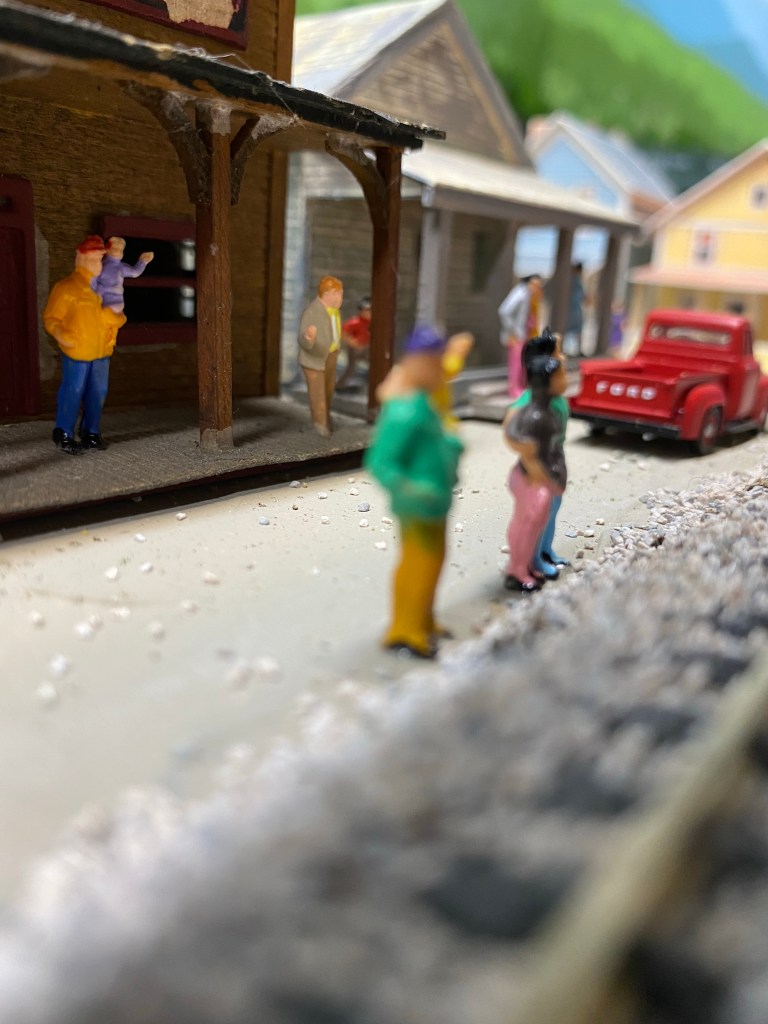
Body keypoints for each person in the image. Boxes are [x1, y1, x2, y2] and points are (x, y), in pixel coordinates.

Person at [365, 325, 464, 659]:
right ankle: (404, 628)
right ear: (417, 364)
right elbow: (381, 462)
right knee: (417, 562)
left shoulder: (425, 404)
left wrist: (451, 446)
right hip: (418, 505)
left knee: (433, 560)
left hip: (435, 502)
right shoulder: (404, 411)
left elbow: (434, 443)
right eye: (433, 364)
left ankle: (424, 619)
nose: (439, 371)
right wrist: (409, 488)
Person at [43, 235, 127, 454]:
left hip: (101, 350)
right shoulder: (66, 288)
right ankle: (64, 432)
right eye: (93, 259)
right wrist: (61, 334)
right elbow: (51, 319)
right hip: (77, 351)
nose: (97, 264)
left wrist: (114, 318)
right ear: (80, 258)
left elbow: (118, 316)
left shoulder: (106, 287)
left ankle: (91, 431)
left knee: (98, 391)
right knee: (73, 389)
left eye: (100, 259)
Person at [506, 327, 570, 580]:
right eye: (558, 353)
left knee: (552, 510)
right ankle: (530, 560)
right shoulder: (530, 403)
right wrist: (528, 454)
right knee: (537, 515)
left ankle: (545, 550)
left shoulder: (556, 400)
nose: (563, 358)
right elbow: (512, 428)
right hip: (539, 468)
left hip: (555, 459)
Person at [298, 275, 344, 437]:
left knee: (328, 389)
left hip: (330, 355)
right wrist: (308, 338)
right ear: (328, 293)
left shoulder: (334, 311)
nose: (341, 298)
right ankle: (320, 424)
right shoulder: (312, 311)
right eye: (338, 294)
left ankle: (326, 418)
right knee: (318, 393)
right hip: (314, 359)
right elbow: (302, 339)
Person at [498, 274, 542, 400]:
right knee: (515, 363)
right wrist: (513, 329)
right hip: (516, 335)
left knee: (522, 361)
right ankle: (514, 389)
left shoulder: (529, 295)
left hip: (524, 334)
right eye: (534, 284)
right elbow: (504, 311)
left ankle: (521, 386)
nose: (536, 287)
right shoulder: (520, 293)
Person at [92, 236, 154, 313]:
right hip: (100, 299)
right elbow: (93, 278)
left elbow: (135, 272)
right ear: (108, 249)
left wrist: (143, 262)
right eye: (115, 248)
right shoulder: (101, 265)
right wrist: (97, 291)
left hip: (116, 300)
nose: (117, 251)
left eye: (120, 249)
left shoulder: (121, 267)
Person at [336, 295, 371, 391]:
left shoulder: (371, 322)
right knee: (351, 368)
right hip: (355, 349)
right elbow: (343, 332)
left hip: (366, 348)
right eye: (366, 311)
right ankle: (339, 385)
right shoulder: (355, 322)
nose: (368, 313)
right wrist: (352, 342)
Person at [563, 262, 585, 364]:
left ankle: (576, 350)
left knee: (575, 330)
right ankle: (569, 350)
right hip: (571, 309)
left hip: (574, 309)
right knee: (571, 330)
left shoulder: (575, 280)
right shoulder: (573, 281)